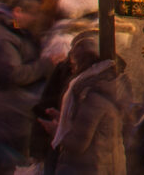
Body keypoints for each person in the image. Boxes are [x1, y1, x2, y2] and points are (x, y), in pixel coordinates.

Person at [0, 0, 55, 175]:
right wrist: (45, 65)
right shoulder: (2, 39)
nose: (36, 19)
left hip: (12, 111)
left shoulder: (15, 33)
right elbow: (13, 75)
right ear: (18, 11)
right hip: (4, 113)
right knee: (7, 165)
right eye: (33, 14)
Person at [45, 32, 135, 175]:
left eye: (73, 64)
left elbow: (78, 144)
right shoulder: (107, 87)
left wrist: (55, 131)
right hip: (103, 166)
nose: (72, 69)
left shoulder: (92, 97)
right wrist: (62, 118)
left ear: (81, 64)